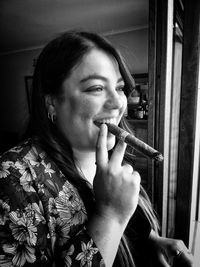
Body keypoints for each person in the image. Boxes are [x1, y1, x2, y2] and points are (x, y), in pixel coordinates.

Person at [0, 30, 193, 267]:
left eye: (120, 87)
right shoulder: (12, 180)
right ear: (51, 101)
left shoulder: (106, 155)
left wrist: (152, 240)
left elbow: (128, 225)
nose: (117, 103)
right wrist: (109, 216)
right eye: (96, 88)